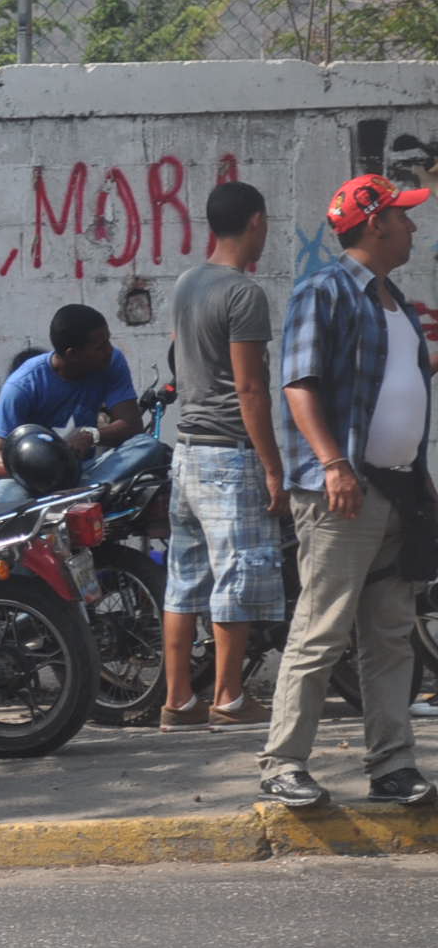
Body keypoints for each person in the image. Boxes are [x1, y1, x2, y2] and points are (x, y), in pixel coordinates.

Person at [259, 174, 435, 808]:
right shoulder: (323, 292)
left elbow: (402, 386)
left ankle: (392, 765)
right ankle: (282, 763)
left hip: (399, 490)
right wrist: (334, 464)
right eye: (404, 217)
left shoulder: (398, 302)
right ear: (375, 223)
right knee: (322, 629)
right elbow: (298, 384)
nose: (414, 226)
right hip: (344, 491)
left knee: (391, 634)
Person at [159, 182, 286, 731]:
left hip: (185, 453)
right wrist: (273, 466)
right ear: (256, 221)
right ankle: (229, 698)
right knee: (237, 575)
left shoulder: (188, 283)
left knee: (184, 579)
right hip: (228, 457)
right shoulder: (243, 293)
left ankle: (178, 700)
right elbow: (250, 388)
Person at [0, 304, 157, 503]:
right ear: (72, 354)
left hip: (82, 472)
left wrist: (91, 435)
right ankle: (78, 497)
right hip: (31, 479)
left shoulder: (111, 362)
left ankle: (71, 497)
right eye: (100, 347)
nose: (109, 350)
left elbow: (132, 427)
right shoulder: (23, 385)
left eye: (108, 341)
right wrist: (41, 468)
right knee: (8, 502)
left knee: (148, 446)